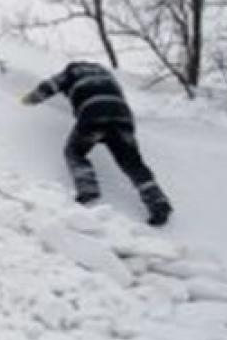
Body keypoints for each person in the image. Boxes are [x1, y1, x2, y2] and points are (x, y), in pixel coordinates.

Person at [21, 61, 173, 226]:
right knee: (132, 163)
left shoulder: (72, 72)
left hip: (93, 115)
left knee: (75, 152)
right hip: (122, 118)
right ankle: (158, 202)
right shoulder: (106, 74)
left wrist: (28, 100)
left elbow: (48, 88)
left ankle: (88, 189)